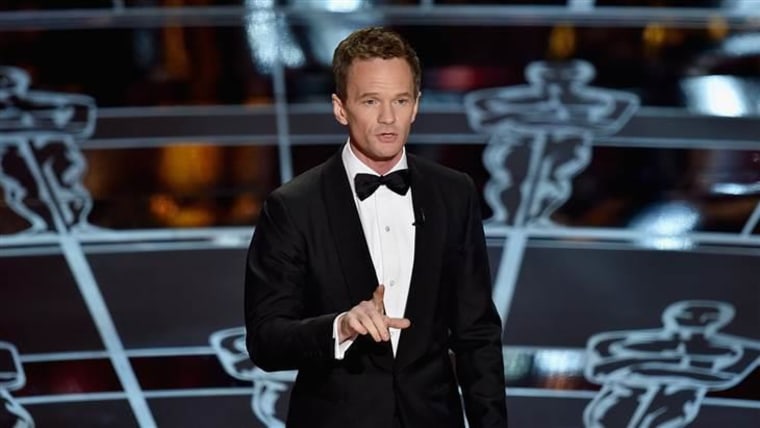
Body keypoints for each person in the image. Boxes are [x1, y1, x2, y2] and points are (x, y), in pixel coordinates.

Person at [244, 26, 508, 428]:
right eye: (371, 101)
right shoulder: (293, 206)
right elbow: (266, 341)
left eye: (400, 101)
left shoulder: (454, 194)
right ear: (340, 108)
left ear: (416, 105)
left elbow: (477, 335)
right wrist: (340, 326)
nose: (388, 118)